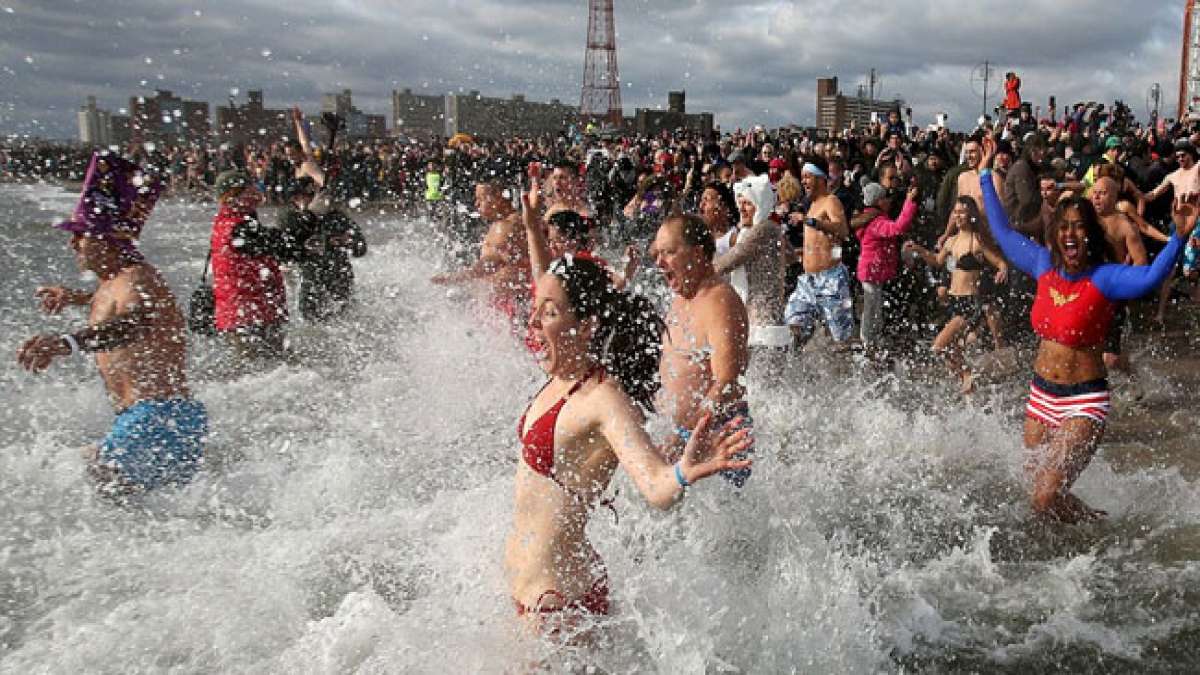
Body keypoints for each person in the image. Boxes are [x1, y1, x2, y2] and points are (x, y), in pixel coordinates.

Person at [507, 256, 752, 631]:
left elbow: (655, 485)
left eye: (550, 313)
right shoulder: (559, 379)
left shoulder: (603, 398)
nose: (534, 321)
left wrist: (683, 473)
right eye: (536, 308)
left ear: (586, 326)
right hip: (534, 595)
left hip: (557, 606)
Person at [978, 135, 1192, 522]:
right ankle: (1076, 538)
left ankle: (1100, 529)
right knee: (1037, 494)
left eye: (1079, 228)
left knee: (1045, 497)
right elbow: (1004, 234)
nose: (1071, 235)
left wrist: (1179, 236)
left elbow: (1150, 278)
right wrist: (983, 174)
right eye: (1064, 227)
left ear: (1090, 235)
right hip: (1041, 395)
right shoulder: (1042, 264)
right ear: (1054, 233)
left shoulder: (1105, 277)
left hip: (1084, 401)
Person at [17, 154, 206, 493]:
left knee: (80, 483)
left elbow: (136, 322)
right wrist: (75, 297)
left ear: (109, 239)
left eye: (82, 235)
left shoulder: (136, 279)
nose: (73, 243)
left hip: (157, 418)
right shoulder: (117, 282)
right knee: (136, 515)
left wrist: (66, 343)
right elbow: (116, 306)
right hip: (154, 419)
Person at [651, 213, 753, 486]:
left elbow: (727, 383)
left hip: (718, 440)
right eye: (656, 254)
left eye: (669, 252)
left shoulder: (719, 300)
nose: (659, 263)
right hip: (684, 437)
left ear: (697, 253)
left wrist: (682, 437)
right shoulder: (681, 298)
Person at [905, 197, 1009, 393]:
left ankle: (968, 377)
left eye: (962, 212)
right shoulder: (952, 241)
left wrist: (1002, 270)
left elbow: (999, 261)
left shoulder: (977, 240)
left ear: (971, 216)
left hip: (969, 303)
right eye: (956, 211)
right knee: (952, 351)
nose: (958, 215)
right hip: (954, 303)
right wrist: (919, 249)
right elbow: (936, 260)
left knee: (938, 347)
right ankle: (970, 387)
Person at [209, 169, 289, 362]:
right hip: (248, 316)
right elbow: (283, 244)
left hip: (247, 312)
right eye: (248, 191)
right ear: (231, 197)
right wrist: (311, 213)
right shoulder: (240, 228)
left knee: (267, 371)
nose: (256, 194)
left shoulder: (229, 221)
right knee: (263, 371)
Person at [277, 177, 367, 322]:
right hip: (311, 278)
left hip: (340, 276)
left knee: (345, 319)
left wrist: (350, 242)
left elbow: (361, 248)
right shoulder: (290, 216)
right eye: (311, 196)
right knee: (311, 320)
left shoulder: (335, 216)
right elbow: (291, 242)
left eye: (318, 195)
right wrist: (311, 215)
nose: (319, 200)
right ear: (297, 198)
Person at [785, 159, 853, 349]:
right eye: (802, 177)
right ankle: (804, 366)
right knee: (793, 322)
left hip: (831, 278)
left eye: (808, 177)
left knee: (841, 339)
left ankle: (851, 373)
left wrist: (811, 221)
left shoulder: (831, 201)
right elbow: (815, 244)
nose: (804, 181)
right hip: (808, 280)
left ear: (821, 178)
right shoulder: (811, 205)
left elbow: (843, 230)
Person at [715, 174, 787, 348]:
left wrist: (697, 272)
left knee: (765, 374)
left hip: (765, 321)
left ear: (760, 204)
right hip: (755, 318)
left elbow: (729, 261)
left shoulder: (764, 229)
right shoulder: (753, 231)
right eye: (739, 203)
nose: (741, 209)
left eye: (747, 203)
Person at [852, 182, 918, 351]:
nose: (889, 201)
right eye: (885, 198)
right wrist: (909, 202)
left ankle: (874, 339)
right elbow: (898, 228)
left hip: (872, 272)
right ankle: (867, 341)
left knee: (875, 306)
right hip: (871, 272)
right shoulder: (877, 223)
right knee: (871, 307)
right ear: (878, 201)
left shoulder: (869, 219)